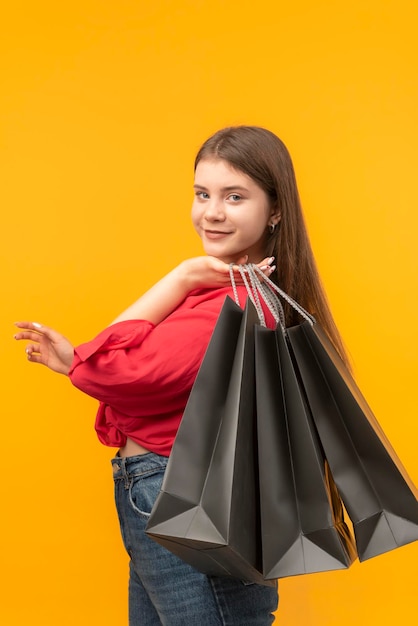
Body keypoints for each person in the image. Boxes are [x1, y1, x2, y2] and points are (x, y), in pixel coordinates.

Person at [14, 126, 347, 625]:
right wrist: (86, 364)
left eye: (235, 196)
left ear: (275, 210)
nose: (211, 212)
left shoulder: (226, 305)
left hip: (182, 497)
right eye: (202, 194)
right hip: (171, 494)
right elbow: (105, 368)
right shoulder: (241, 297)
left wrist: (181, 276)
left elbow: (112, 369)